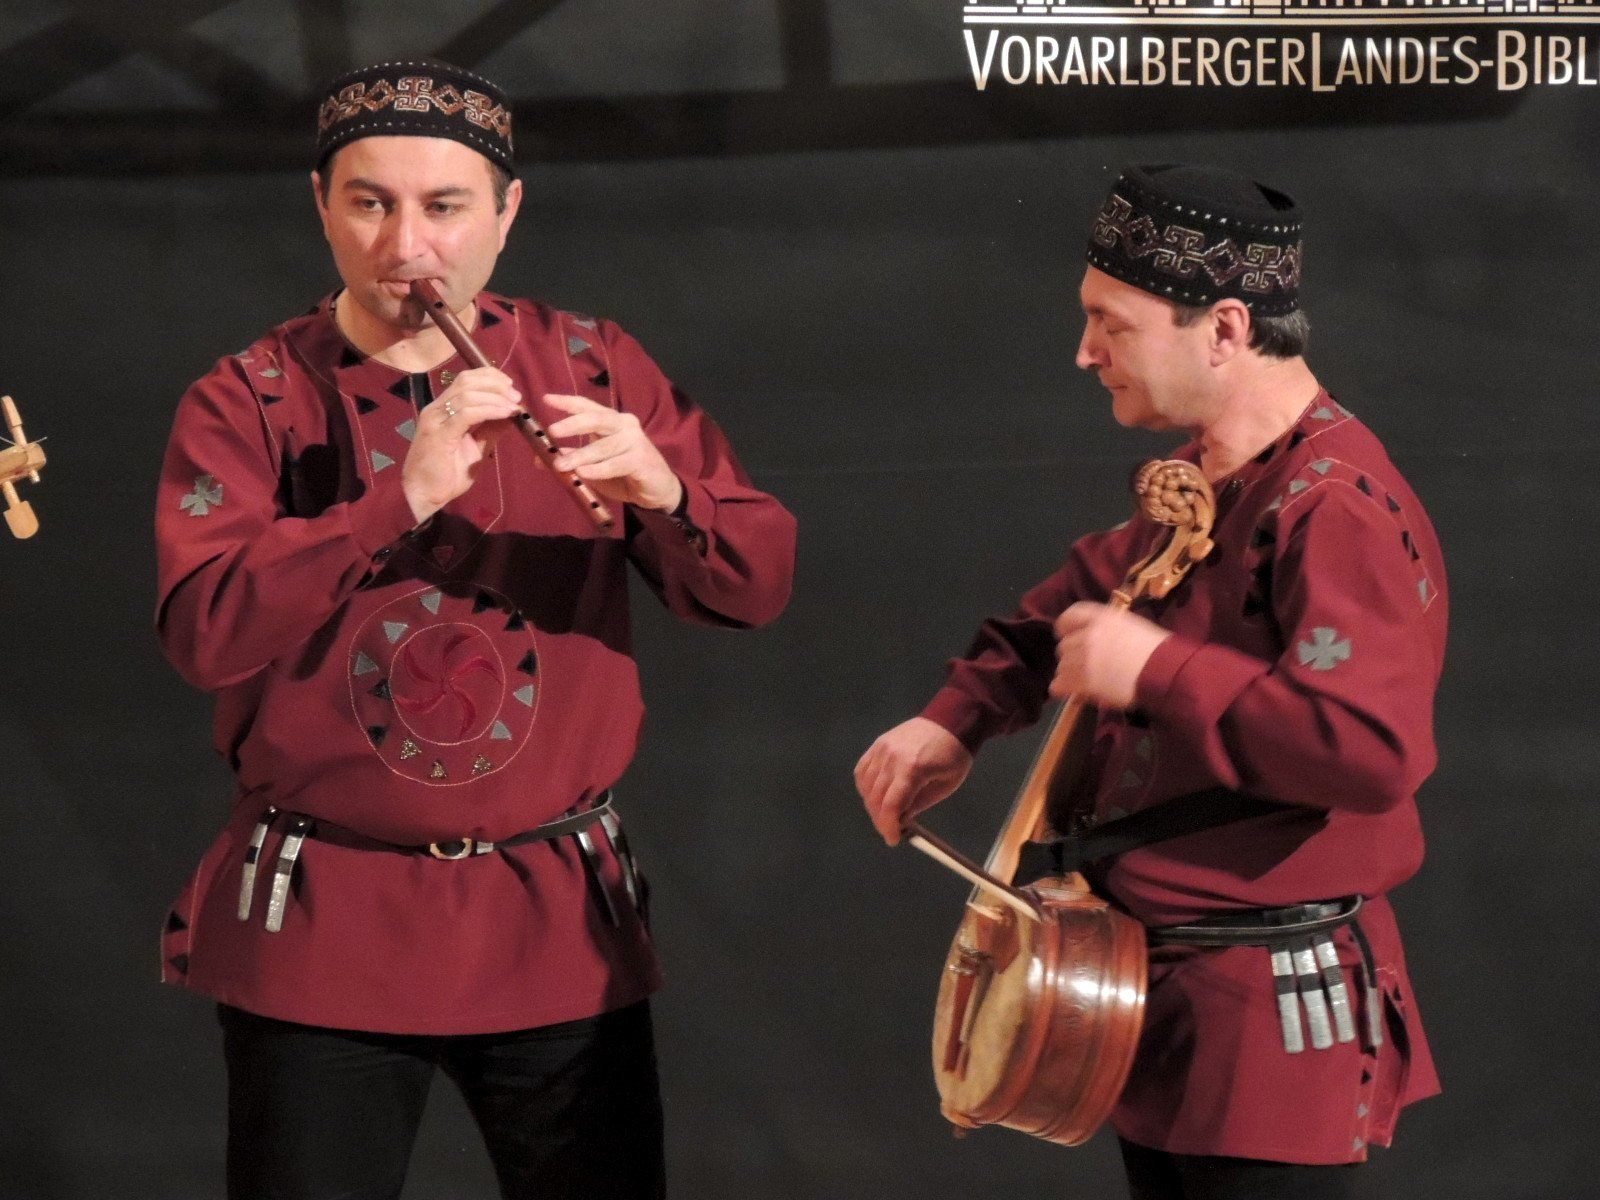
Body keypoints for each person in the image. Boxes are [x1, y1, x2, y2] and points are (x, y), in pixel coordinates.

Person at [155, 59, 795, 1200]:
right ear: (320, 205)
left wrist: (666, 493)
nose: (409, 247)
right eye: (370, 203)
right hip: (326, 934)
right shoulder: (249, 395)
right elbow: (204, 632)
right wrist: (394, 497)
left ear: (507, 211)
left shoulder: (593, 364)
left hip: (556, 930)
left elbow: (754, 587)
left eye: (445, 206)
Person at [855, 164, 1444, 1199]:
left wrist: (1160, 669)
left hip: (1267, 1030)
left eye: (1110, 324)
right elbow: (1058, 616)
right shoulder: (1208, 477)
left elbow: (1369, 752)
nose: (1084, 353)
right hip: (1156, 1007)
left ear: (1224, 328)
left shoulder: (1335, 505)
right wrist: (953, 722)